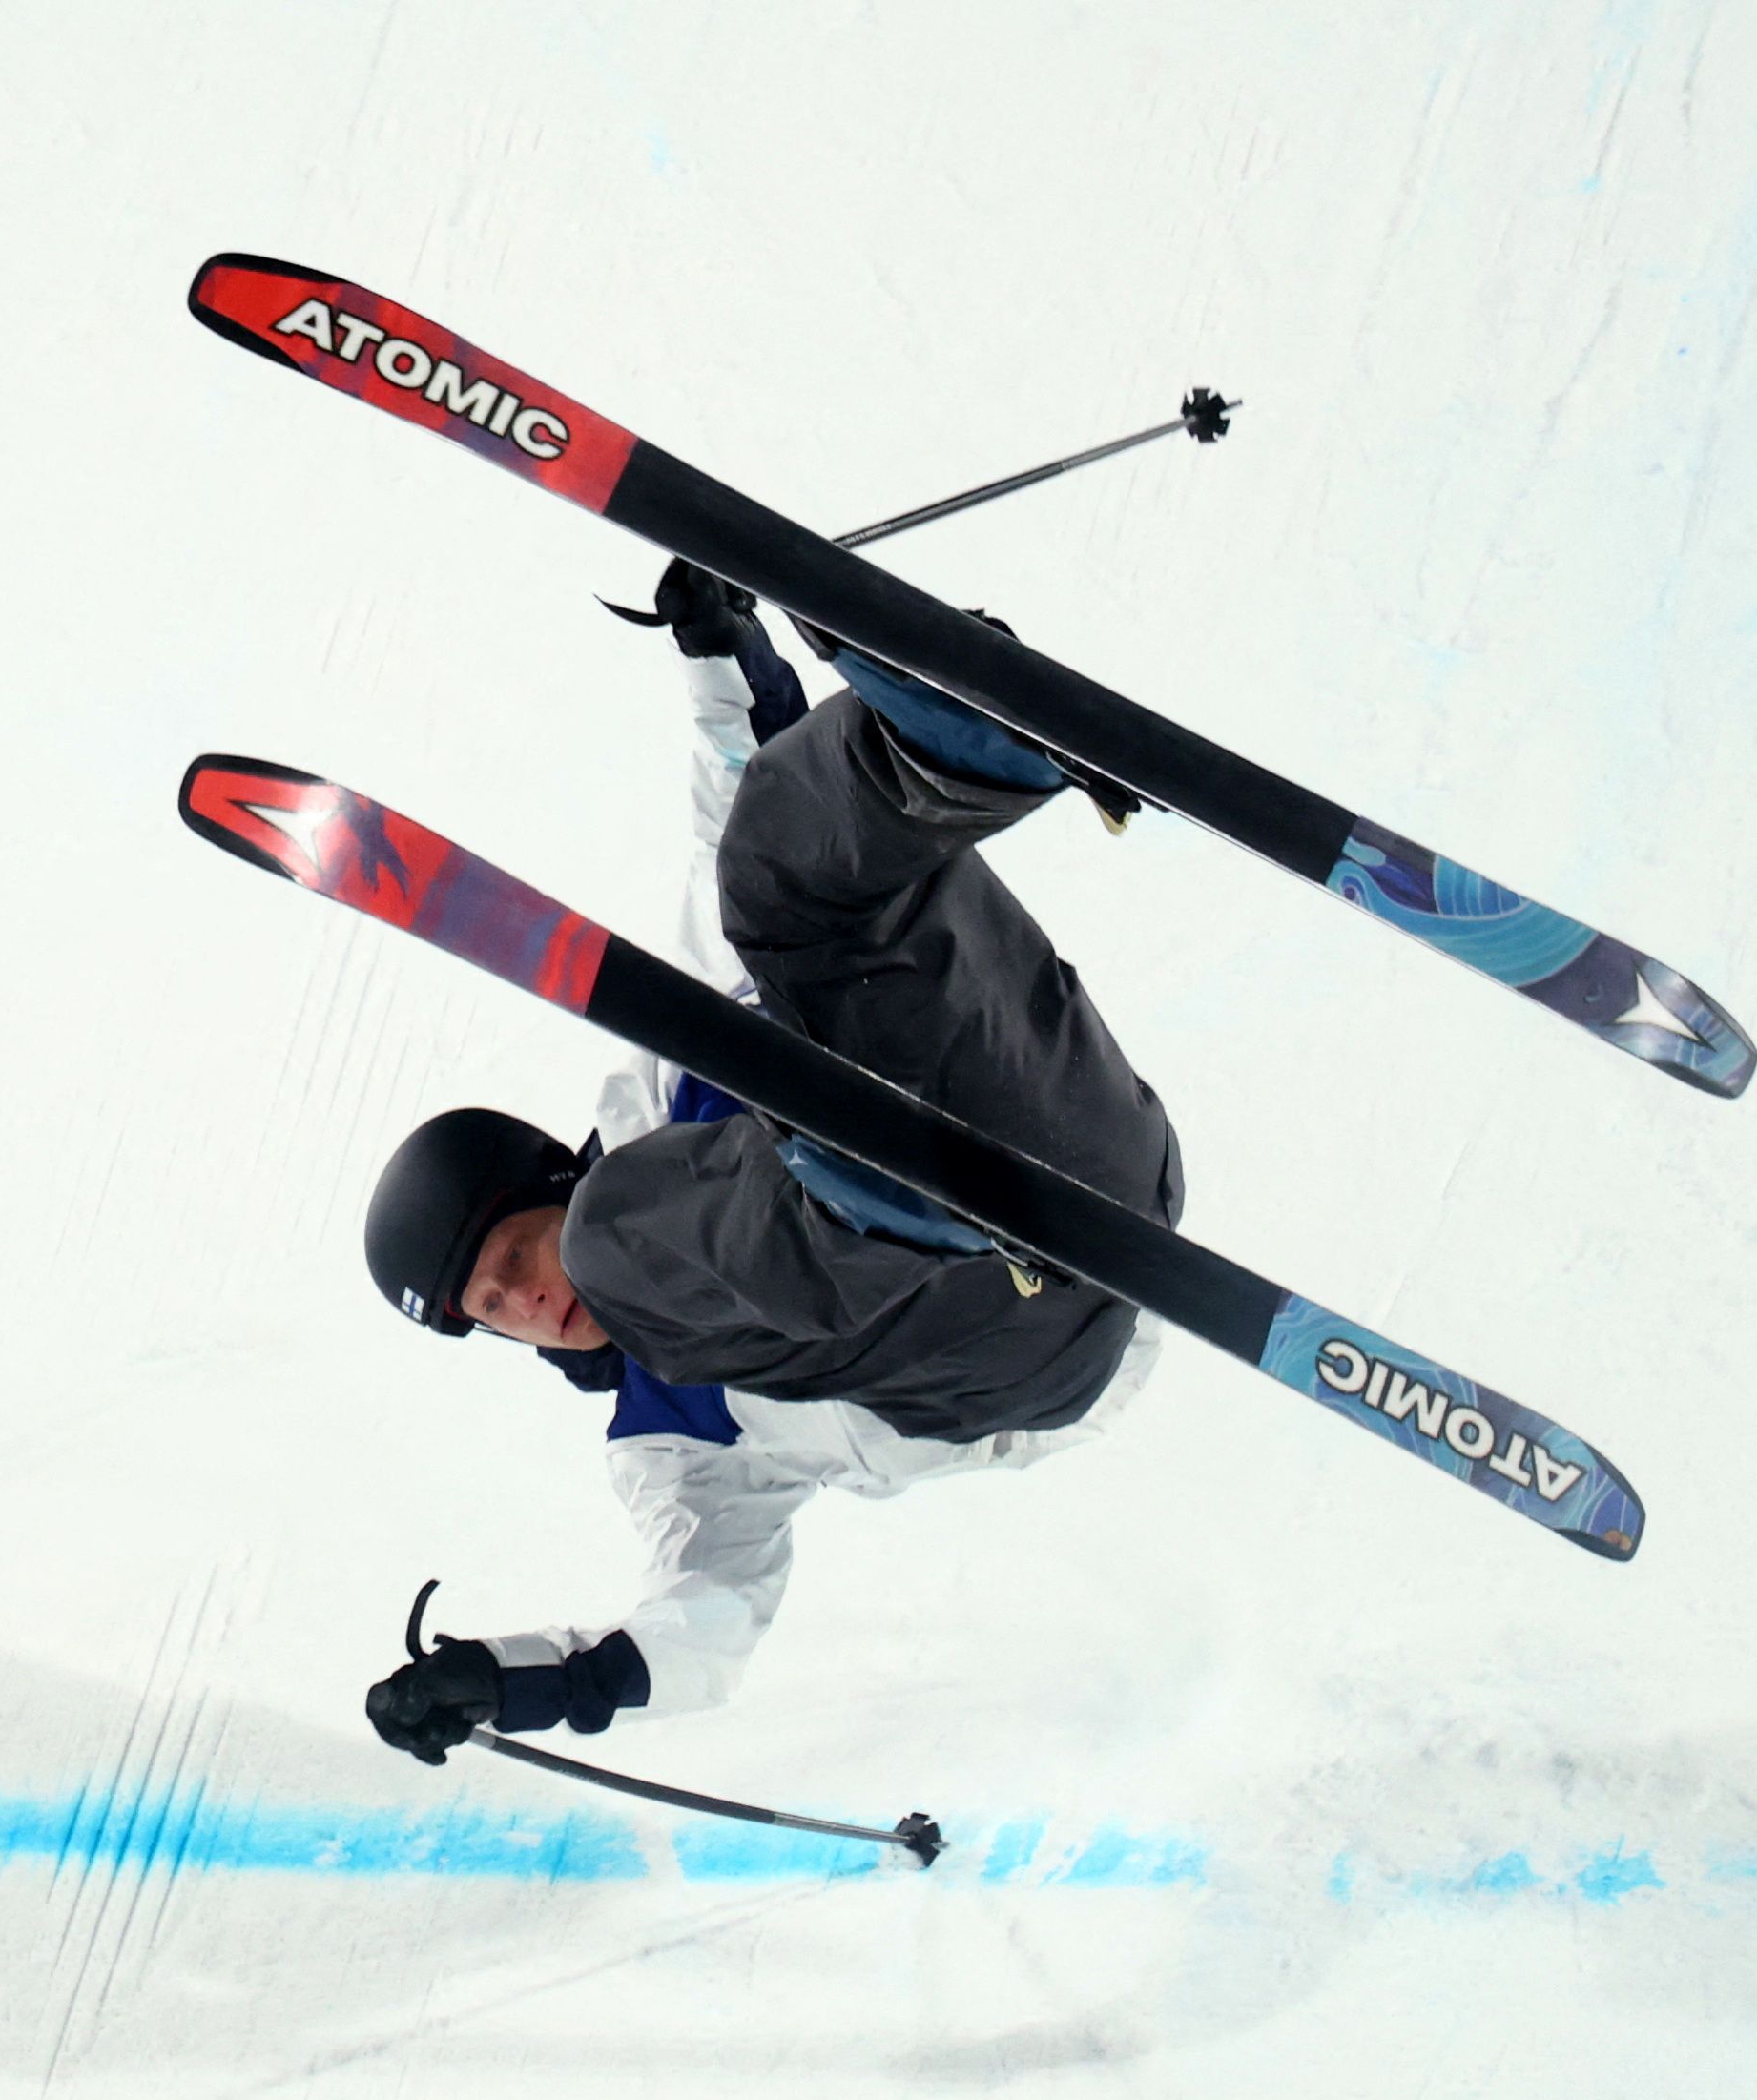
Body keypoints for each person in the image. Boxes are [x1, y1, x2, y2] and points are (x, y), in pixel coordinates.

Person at [359, 563, 1183, 1763]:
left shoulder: (659, 1084)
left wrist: (713, 648)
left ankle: (962, 741)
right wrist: (516, 1684)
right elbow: (698, 1627)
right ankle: (888, 1213)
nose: (532, 1300)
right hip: (1022, 1341)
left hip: (1066, 1134)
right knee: (628, 1234)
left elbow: (737, 814)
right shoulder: (674, 1444)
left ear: (547, 1177)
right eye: (496, 1310)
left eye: (518, 1256)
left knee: (772, 888)